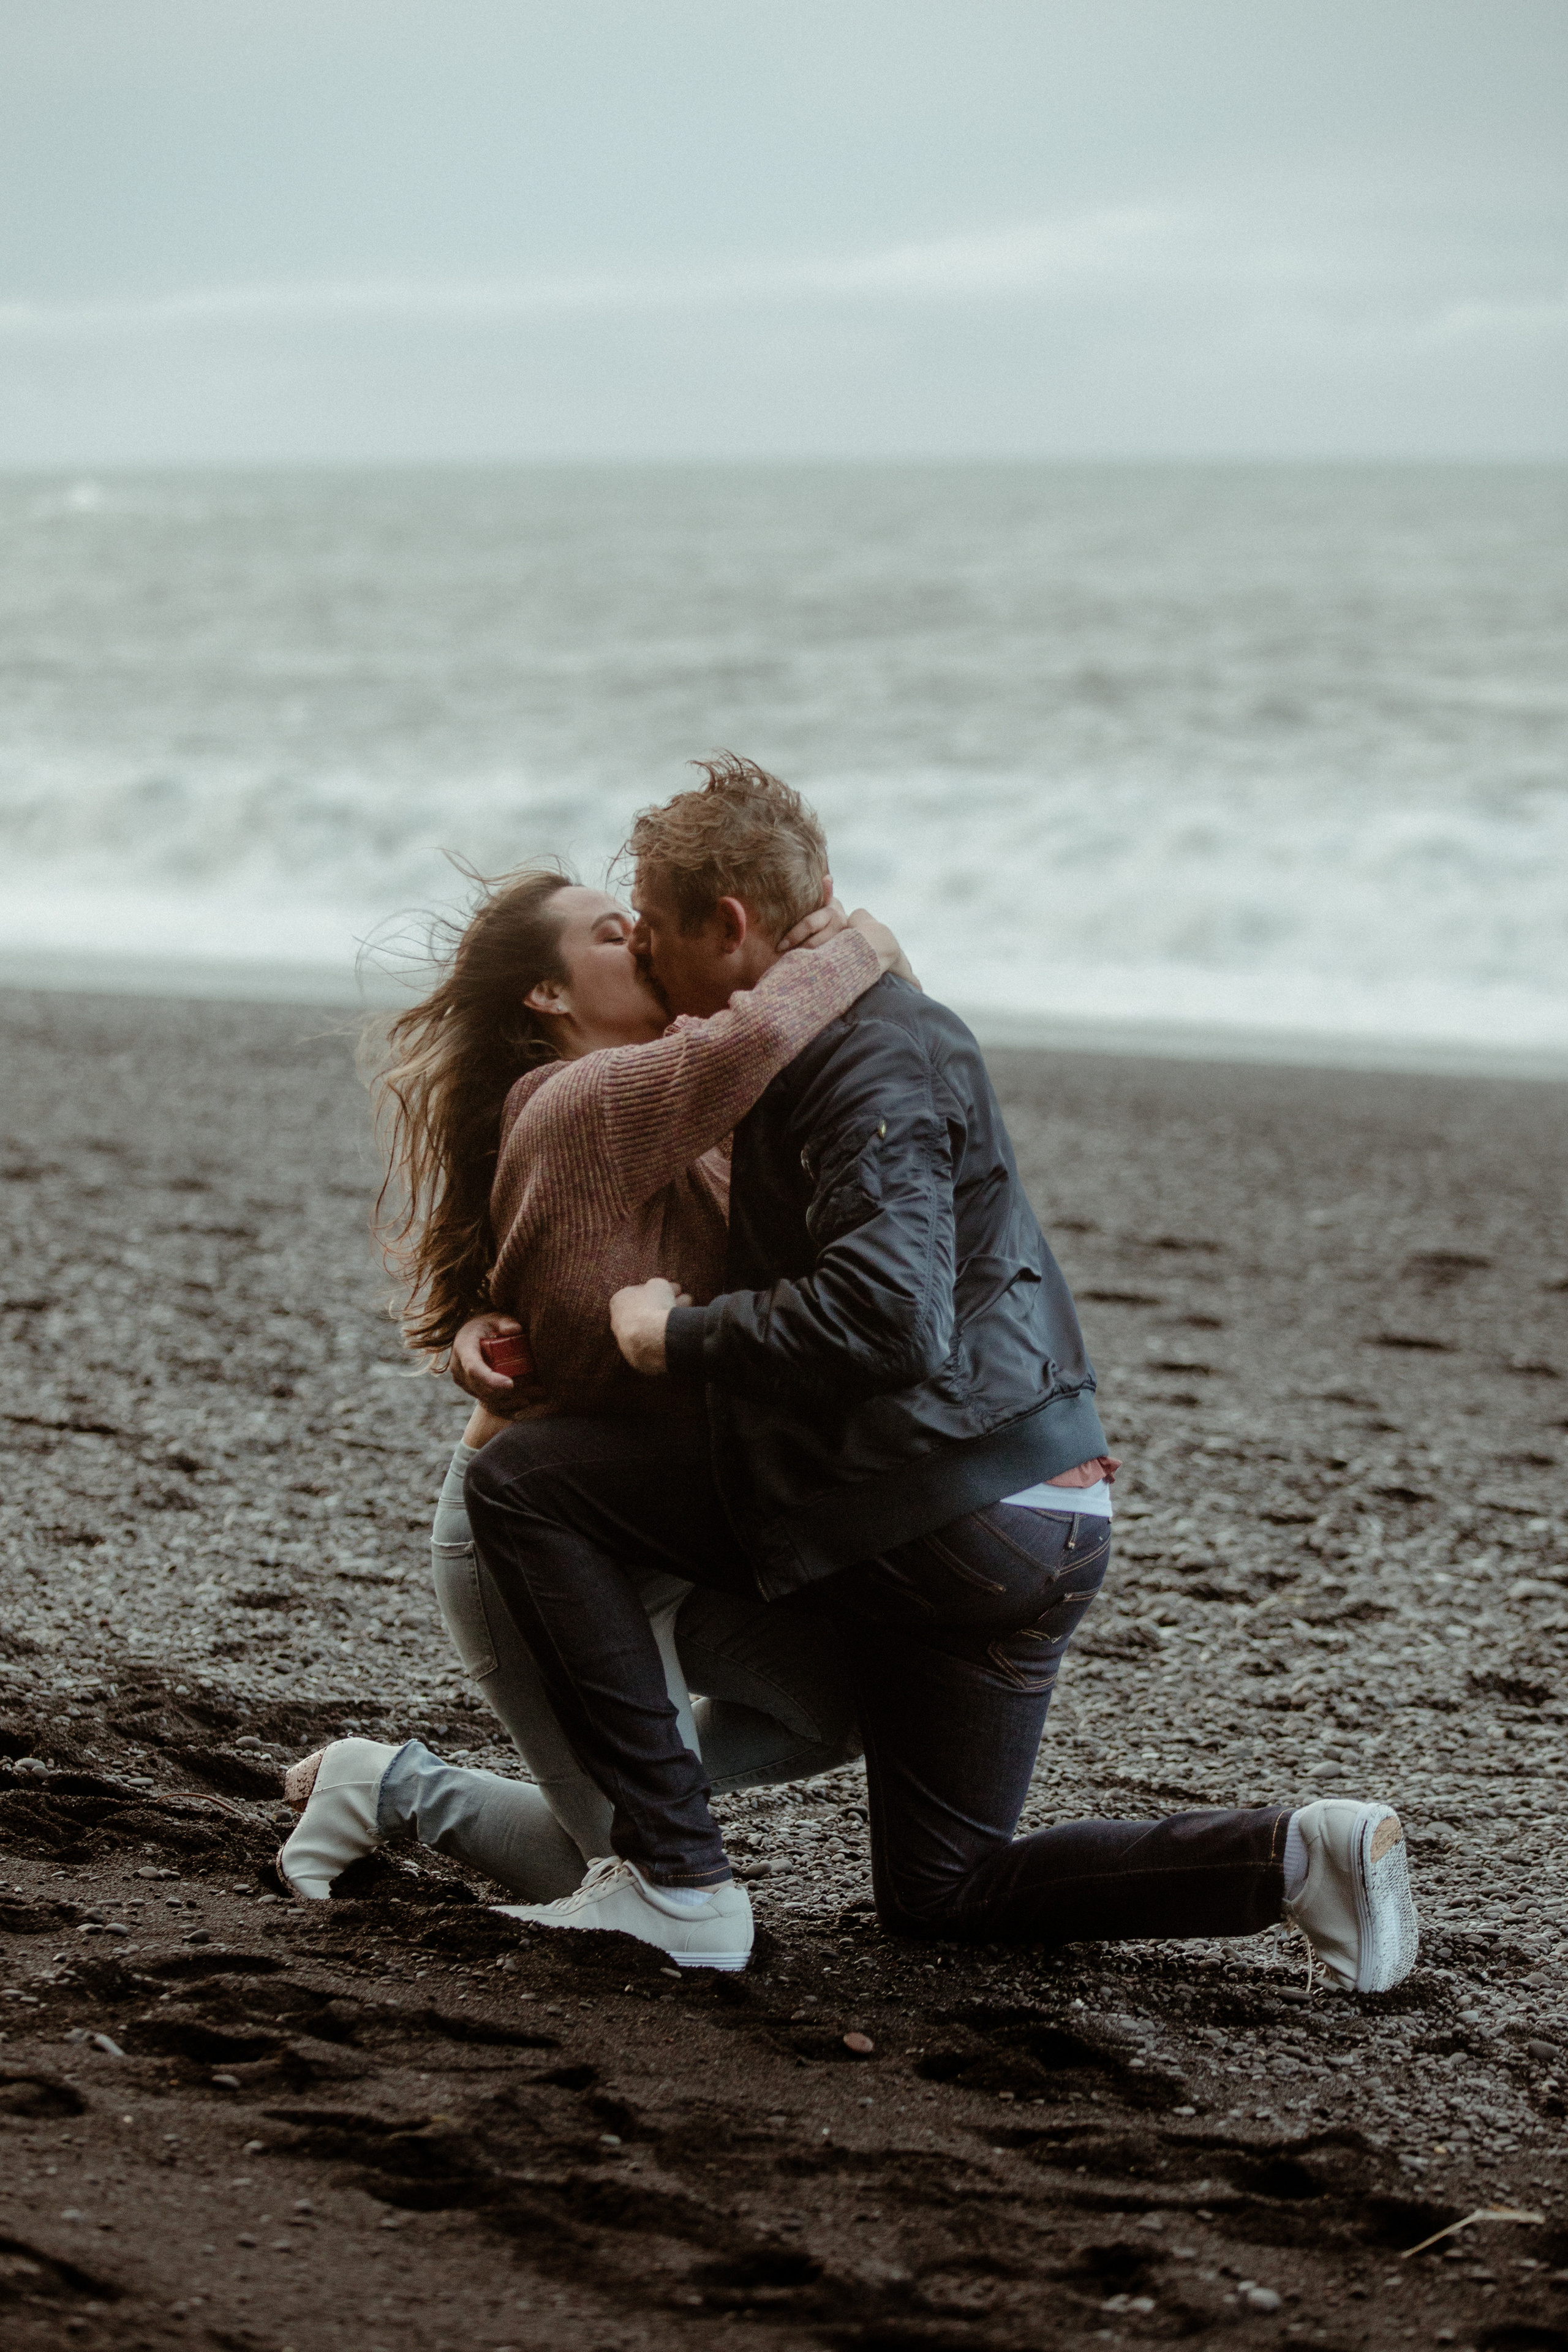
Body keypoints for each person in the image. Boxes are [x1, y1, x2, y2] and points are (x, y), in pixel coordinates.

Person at [457, 756, 1419, 1990]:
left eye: (652, 931)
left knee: (530, 1487)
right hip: (1051, 1508)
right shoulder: (898, 1034)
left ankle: (675, 1884)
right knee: (944, 1888)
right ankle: (1300, 1856)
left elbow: (887, 1321)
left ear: (730, 927)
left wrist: (670, 1338)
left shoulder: (849, 1061)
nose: (644, 958)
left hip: (942, 1505)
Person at [278, 845, 913, 1911]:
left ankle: (619, 1781)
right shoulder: (580, 1097)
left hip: (668, 1524)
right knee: (634, 1858)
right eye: (613, 935)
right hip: (530, 1541)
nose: (646, 942)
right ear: (548, 991)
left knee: (847, 1711)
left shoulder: (690, 1114)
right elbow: (762, 1029)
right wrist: (863, 945)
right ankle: (394, 1786)